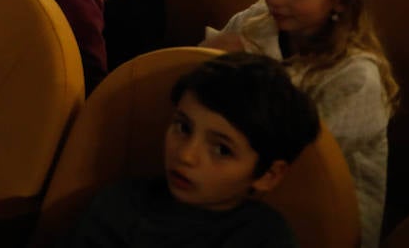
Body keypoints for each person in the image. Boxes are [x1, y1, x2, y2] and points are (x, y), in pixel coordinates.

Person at [204, 0, 398, 248]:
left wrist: (246, 71)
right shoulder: (256, 22)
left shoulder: (356, 77)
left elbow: (303, 168)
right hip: (227, 178)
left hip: (317, 216)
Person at [61, 52, 320, 248]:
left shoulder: (265, 237)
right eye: (183, 128)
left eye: (221, 149)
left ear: (268, 175)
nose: (185, 155)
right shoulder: (119, 204)